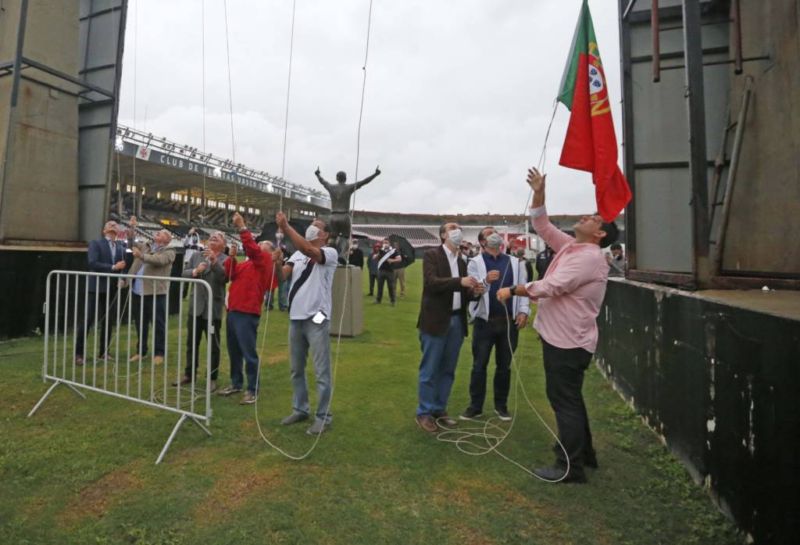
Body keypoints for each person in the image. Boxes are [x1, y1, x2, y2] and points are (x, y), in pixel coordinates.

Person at [497, 167, 618, 483]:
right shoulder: (571, 247)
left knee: (564, 402)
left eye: (592, 218)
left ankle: (569, 466)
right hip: (565, 340)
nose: (585, 217)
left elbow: (552, 285)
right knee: (571, 400)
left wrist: (514, 290)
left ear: (600, 233)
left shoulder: (588, 257)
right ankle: (584, 455)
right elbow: (541, 223)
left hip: (568, 343)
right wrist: (539, 191)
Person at [415, 222, 482, 433]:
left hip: (456, 321)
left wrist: (475, 291)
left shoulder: (461, 261)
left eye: (459, 228)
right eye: (452, 228)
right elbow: (432, 283)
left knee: (448, 370)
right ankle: (424, 413)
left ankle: (438, 408)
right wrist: (459, 282)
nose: (457, 231)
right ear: (443, 235)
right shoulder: (431, 255)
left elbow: (462, 291)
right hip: (435, 320)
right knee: (430, 370)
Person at [275, 211, 338, 435]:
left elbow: (309, 250)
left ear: (326, 235)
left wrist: (286, 227)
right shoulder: (296, 255)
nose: (312, 228)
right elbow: (283, 277)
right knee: (296, 369)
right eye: (311, 224)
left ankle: (324, 416)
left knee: (322, 371)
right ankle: (300, 408)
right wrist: (276, 263)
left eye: (317, 226)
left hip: (318, 316)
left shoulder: (329, 252)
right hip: (296, 317)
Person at [462, 227, 530, 421]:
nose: (494, 235)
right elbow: (474, 292)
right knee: (479, 365)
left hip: (508, 323)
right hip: (485, 323)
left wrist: (524, 311)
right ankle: (475, 407)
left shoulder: (516, 262)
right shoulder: (475, 262)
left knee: (504, 367)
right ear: (482, 242)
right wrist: (485, 281)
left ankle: (501, 406)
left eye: (495, 232)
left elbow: (523, 288)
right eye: (488, 233)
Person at [217, 213, 280, 404]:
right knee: (234, 350)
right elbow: (230, 275)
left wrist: (243, 227)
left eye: (264, 246)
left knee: (248, 352)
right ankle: (236, 383)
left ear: (270, 252)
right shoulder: (248, 264)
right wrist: (232, 258)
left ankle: (252, 389)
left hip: (247, 312)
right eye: (259, 245)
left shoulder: (265, 262)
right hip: (234, 310)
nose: (259, 247)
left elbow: (252, 250)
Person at [175, 231, 228, 393]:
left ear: (223, 244)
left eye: (218, 237)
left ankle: (212, 378)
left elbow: (224, 278)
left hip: (213, 309)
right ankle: (189, 374)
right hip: (195, 308)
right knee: (192, 343)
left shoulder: (225, 260)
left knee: (213, 346)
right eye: (212, 236)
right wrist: (195, 271)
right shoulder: (196, 256)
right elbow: (183, 274)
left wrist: (214, 262)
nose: (213, 237)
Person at [75, 220, 130, 365]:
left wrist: (122, 278)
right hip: (97, 286)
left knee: (108, 321)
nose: (113, 226)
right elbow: (92, 263)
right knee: (88, 320)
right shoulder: (96, 244)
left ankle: (104, 352)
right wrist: (112, 267)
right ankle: (79, 354)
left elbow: (123, 265)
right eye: (110, 224)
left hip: (112, 288)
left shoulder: (120, 247)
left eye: (115, 225)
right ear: (104, 230)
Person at [128, 220, 176, 365]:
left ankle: (159, 353)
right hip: (138, 291)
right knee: (140, 323)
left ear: (167, 239)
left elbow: (159, 260)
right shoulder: (146, 246)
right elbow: (131, 243)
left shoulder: (170, 251)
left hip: (156, 292)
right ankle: (141, 351)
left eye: (160, 233)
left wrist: (141, 256)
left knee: (158, 324)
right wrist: (132, 228)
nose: (157, 233)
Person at [315, 167, 381, 261]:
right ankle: (342, 256)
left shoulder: (331, 187)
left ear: (337, 178)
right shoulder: (349, 187)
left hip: (333, 216)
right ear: (345, 178)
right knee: (346, 237)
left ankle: (329, 255)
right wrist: (375, 174)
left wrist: (317, 174)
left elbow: (322, 181)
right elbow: (364, 182)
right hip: (344, 216)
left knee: (333, 237)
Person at [374, 238, 401, 305]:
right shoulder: (381, 250)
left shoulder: (394, 251)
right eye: (384, 242)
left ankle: (392, 301)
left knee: (391, 287)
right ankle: (378, 300)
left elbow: (399, 259)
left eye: (386, 242)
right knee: (380, 287)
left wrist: (392, 260)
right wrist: (377, 254)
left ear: (389, 243)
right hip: (381, 271)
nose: (385, 244)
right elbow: (374, 258)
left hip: (390, 271)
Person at [276, 229, 290, 311]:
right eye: (278, 232)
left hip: (283, 267)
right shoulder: (273, 242)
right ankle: (268, 305)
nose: (279, 234)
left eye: (281, 232)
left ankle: (283, 306)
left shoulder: (287, 243)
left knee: (283, 288)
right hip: (272, 267)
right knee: (270, 289)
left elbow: (289, 253)